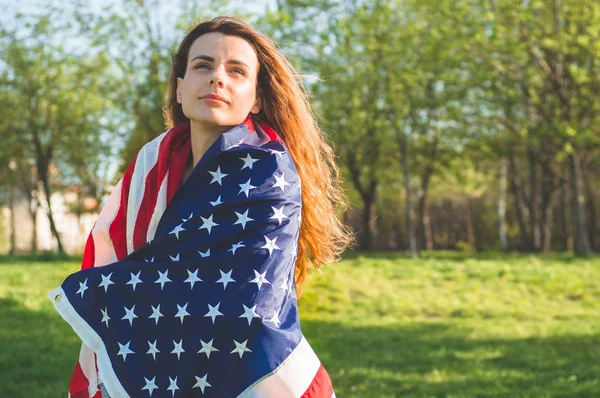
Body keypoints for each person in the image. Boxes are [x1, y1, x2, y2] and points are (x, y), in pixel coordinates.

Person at [49, 16, 352, 398]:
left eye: (236, 70)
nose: (217, 78)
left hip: (255, 375)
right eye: (203, 65)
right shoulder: (150, 167)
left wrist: (103, 291)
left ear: (256, 98)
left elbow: (242, 301)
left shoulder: (268, 173)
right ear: (179, 88)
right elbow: (124, 256)